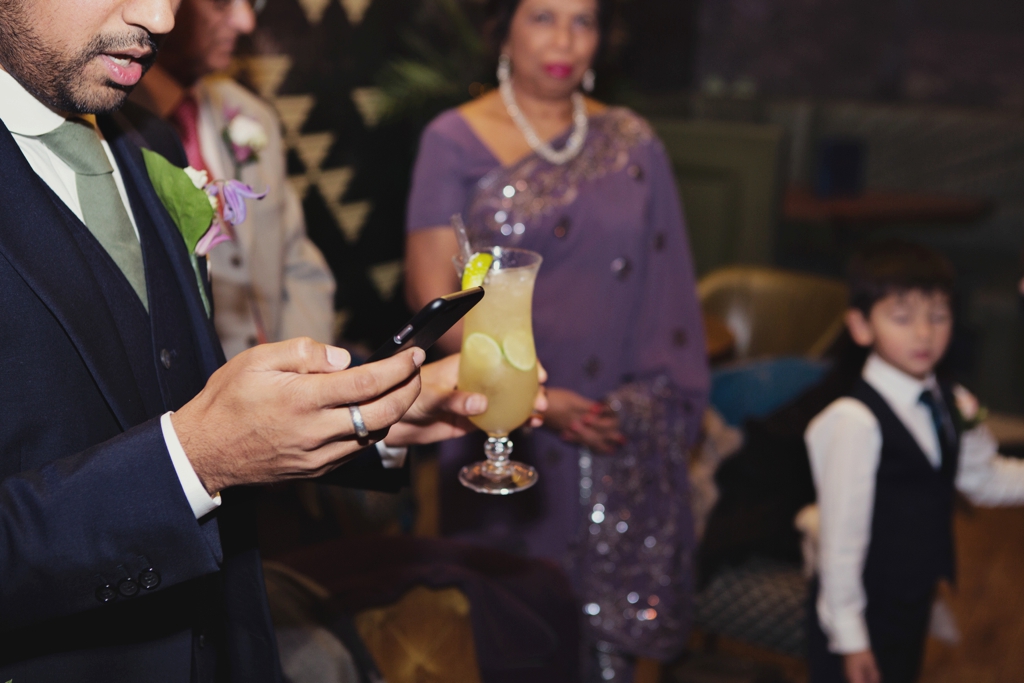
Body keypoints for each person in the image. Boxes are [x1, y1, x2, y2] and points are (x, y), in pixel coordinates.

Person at [0, 0, 543, 680]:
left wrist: (369, 419)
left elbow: (169, 402)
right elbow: (186, 453)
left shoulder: (149, 143)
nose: (163, 19)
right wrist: (195, 461)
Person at [403, 0, 709, 677]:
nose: (566, 39)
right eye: (543, 16)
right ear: (502, 28)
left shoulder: (633, 140)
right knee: (515, 622)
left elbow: (669, 282)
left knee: (605, 653)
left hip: (617, 416)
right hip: (500, 416)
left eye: (584, 20)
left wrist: (640, 404)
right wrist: (536, 395)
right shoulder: (452, 139)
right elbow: (435, 295)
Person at [804, 241, 1024, 683]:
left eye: (938, 316)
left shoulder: (952, 402)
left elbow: (981, 478)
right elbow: (840, 545)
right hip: (861, 609)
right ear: (861, 327)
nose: (924, 333)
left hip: (913, 598)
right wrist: (851, 639)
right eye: (902, 318)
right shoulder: (854, 421)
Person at [131, 0, 335, 359]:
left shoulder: (252, 115)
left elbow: (298, 265)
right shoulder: (113, 135)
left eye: (251, 3)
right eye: (221, 3)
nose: (245, 22)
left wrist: (303, 370)